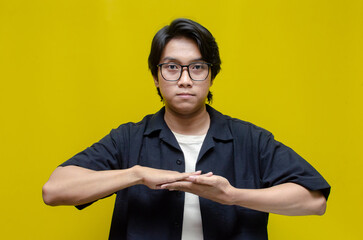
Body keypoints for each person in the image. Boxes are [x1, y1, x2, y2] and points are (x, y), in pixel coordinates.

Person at [42, 18, 330, 240]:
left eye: (197, 67)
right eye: (171, 67)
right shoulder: (129, 138)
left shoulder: (250, 139)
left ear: (211, 76)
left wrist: (233, 196)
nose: (184, 80)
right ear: (156, 76)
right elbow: (54, 191)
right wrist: (136, 174)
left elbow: (314, 201)